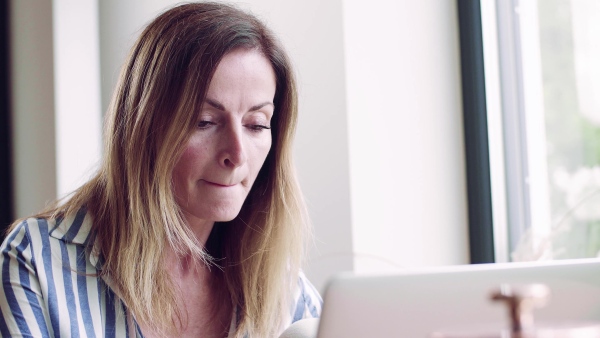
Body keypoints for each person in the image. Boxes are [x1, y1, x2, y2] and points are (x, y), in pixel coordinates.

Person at [0, 2, 322, 337]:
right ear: (143, 126)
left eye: (256, 124)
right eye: (204, 121)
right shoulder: (37, 262)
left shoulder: (282, 287)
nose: (237, 154)